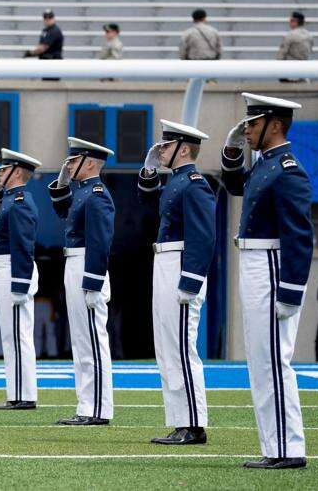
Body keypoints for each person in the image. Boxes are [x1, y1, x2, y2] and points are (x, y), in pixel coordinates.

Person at [221, 92, 311, 470]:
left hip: (272, 264)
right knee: (261, 360)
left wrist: (291, 291)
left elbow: (299, 235)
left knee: (272, 360)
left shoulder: (287, 169)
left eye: (252, 124)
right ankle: (275, 446)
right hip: (255, 261)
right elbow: (235, 186)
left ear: (274, 124)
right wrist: (231, 151)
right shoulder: (266, 164)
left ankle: (287, 449)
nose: (246, 130)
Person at [138, 120, 216, 444]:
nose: (160, 149)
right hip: (166, 260)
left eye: (167, 145)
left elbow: (204, 236)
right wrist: (148, 172)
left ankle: (193, 424)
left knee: (182, 347)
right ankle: (180, 421)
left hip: (181, 263)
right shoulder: (177, 182)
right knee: (167, 346)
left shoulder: (194, 184)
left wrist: (191, 281)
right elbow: (151, 205)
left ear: (183, 149)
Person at [48, 138, 115, 424]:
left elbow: (100, 241)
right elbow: (63, 210)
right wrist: (62, 181)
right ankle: (87, 406)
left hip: (87, 265)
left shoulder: (97, 194)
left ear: (88, 163)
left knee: (92, 341)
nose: (68, 165)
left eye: (74, 161)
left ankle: (97, 409)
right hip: (75, 262)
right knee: (81, 340)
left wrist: (93, 282)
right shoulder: (83, 192)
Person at [0, 148, 41, 410]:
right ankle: (17, 392)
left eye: (4, 169)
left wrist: (20, 284)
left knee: (17, 335)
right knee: (11, 335)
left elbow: (23, 246)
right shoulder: (11, 198)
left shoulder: (20, 202)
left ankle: (23, 395)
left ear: (17, 172)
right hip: (4, 268)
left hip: (12, 270)